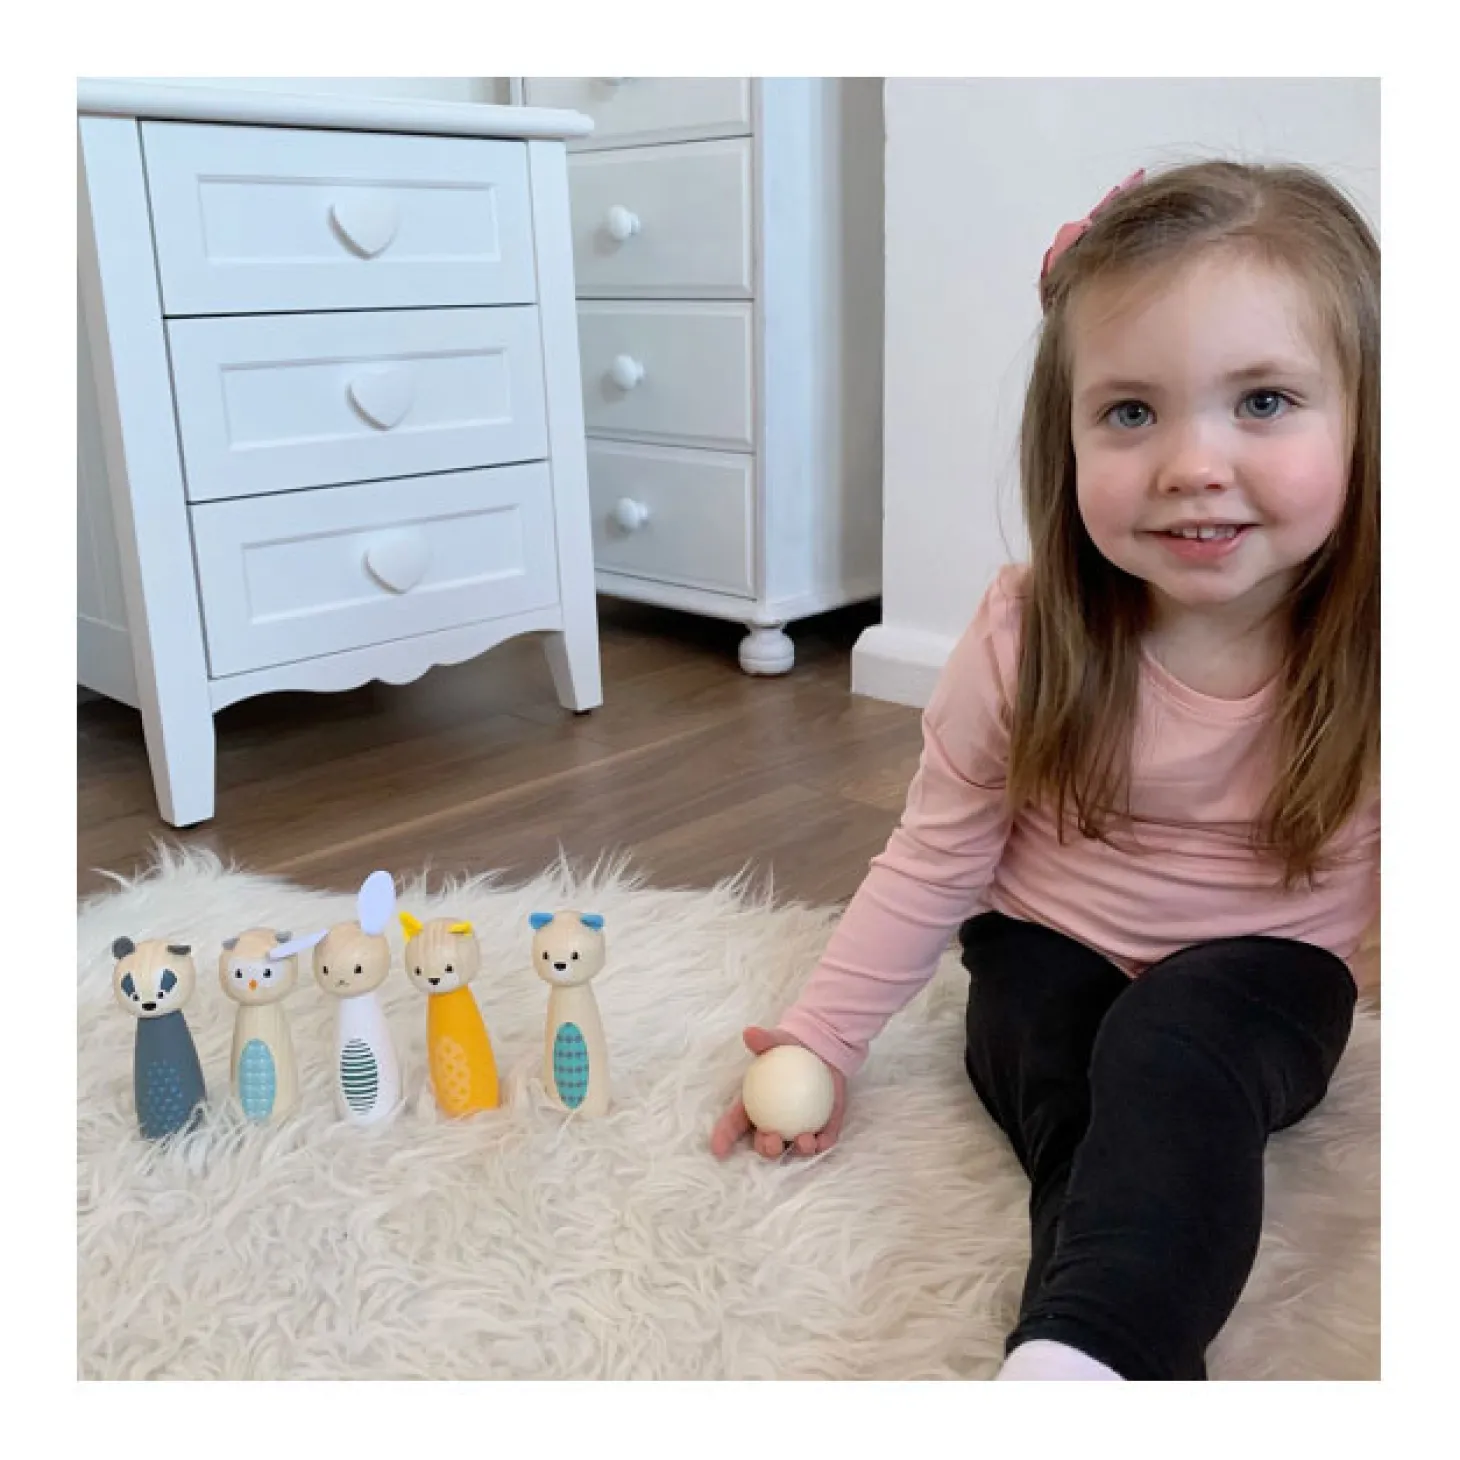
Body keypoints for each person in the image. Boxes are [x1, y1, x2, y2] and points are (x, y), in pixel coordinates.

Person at [709, 160, 1380, 1382]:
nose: (1190, 463)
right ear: (1061, 438)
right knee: (1078, 1097)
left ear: (1368, 420)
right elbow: (933, 854)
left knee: (1172, 1046)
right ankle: (1087, 1361)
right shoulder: (1025, 634)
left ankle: (1084, 1354)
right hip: (1042, 947)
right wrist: (822, 1036)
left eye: (1263, 401)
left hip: (1266, 978)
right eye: (1128, 413)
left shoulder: (1389, 651)